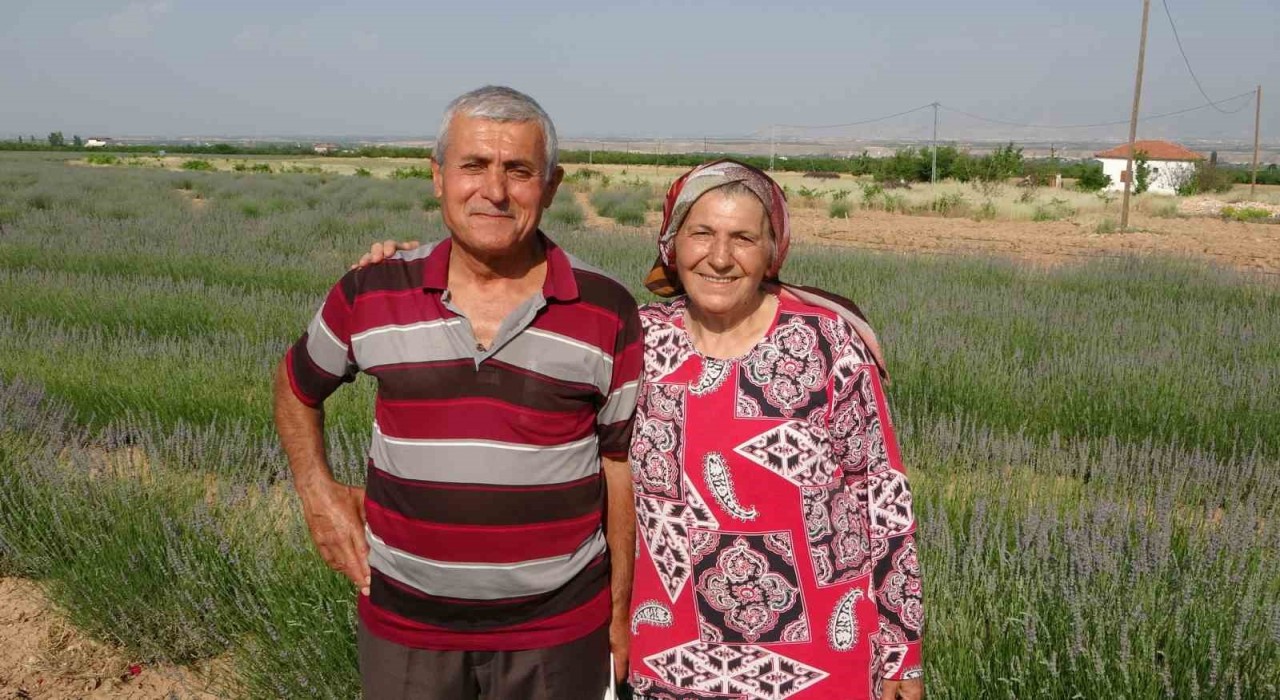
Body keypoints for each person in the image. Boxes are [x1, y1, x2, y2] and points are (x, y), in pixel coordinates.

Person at [358, 159, 925, 700]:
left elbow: (883, 498)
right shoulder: (635, 336)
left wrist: (904, 649)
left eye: (744, 239)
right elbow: (509, 325)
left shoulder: (829, 344)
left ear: (773, 250)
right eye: (701, 234)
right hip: (670, 650)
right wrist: (406, 269)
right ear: (671, 245)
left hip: (819, 655)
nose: (720, 258)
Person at [274, 85, 643, 700]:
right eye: (473, 166)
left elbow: (619, 467)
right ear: (438, 177)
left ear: (551, 187)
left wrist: (620, 614)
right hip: (407, 629)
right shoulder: (371, 291)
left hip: (557, 633)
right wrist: (317, 492)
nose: (494, 191)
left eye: (518, 171)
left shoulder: (605, 308)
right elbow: (295, 388)